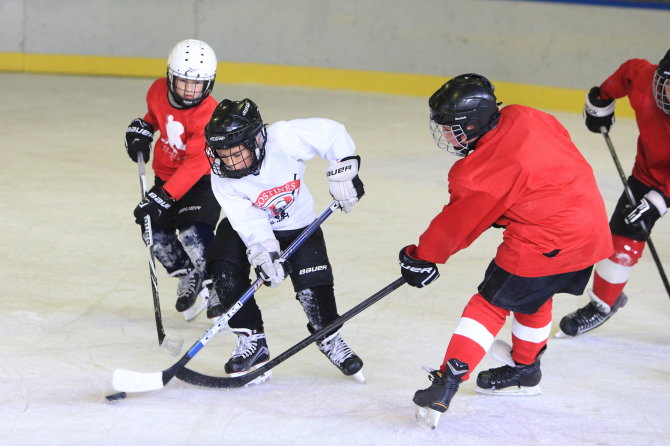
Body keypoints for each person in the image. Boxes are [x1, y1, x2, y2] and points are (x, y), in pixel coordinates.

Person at [397, 74, 612, 426]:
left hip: (545, 242)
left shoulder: (476, 171)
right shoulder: (526, 114)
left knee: (490, 304)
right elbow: (549, 163)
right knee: (534, 297)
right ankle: (526, 372)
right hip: (589, 232)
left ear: (471, 124)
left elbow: (457, 225)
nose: (447, 135)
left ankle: (446, 382)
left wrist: (421, 257)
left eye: (451, 128)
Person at [203, 98, 366, 380]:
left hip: (298, 223)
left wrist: (343, 175)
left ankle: (328, 335)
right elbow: (247, 221)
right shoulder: (223, 177)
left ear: (256, 139)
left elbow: (332, 133)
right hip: (248, 228)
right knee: (223, 265)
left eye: (235, 152)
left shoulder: (283, 137)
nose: (228, 161)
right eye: (222, 154)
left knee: (315, 285)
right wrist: (264, 253)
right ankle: (252, 340)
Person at [559, 49, 670, 337]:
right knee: (624, 231)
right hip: (648, 173)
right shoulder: (644, 78)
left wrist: (657, 202)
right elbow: (626, 74)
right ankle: (602, 304)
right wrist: (601, 102)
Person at [125, 39, 221, 320]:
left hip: (200, 182)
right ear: (170, 77)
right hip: (166, 177)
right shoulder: (156, 90)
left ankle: (217, 286)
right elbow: (157, 116)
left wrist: (164, 197)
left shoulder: (208, 115)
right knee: (151, 228)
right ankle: (186, 274)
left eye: (198, 84)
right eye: (183, 82)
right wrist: (144, 128)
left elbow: (195, 164)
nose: (191, 91)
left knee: (194, 232)